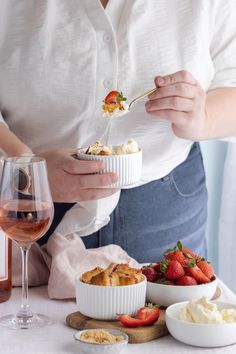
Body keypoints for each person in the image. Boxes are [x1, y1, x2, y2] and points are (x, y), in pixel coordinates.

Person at [0, 0, 236, 262]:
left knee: (171, 302)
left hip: (162, 202)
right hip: (26, 202)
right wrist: (26, 169)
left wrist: (203, 116)